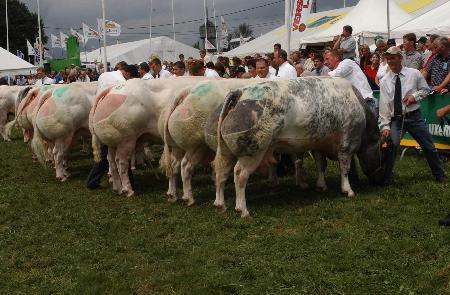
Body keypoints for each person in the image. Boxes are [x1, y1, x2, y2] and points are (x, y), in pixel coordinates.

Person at [379, 46, 446, 186]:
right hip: (396, 120)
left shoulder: (414, 73)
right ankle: (386, 177)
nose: (390, 60)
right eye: (388, 58)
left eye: (393, 57)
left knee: (429, 147)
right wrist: (385, 125)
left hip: (415, 117)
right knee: (391, 147)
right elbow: (384, 106)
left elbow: (425, 90)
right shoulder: (385, 80)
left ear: (400, 58)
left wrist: (414, 97)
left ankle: (439, 175)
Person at [86, 65, 139, 190]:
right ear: (127, 73)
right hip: (111, 118)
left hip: (99, 114)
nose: (129, 81)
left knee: (110, 153)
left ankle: (118, 182)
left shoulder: (104, 75)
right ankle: (93, 181)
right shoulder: (121, 82)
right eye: (131, 78)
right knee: (116, 151)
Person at [324, 49, 376, 114]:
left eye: (327, 59)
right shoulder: (336, 70)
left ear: (336, 58)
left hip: (367, 103)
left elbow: (333, 74)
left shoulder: (347, 62)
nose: (325, 62)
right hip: (355, 107)